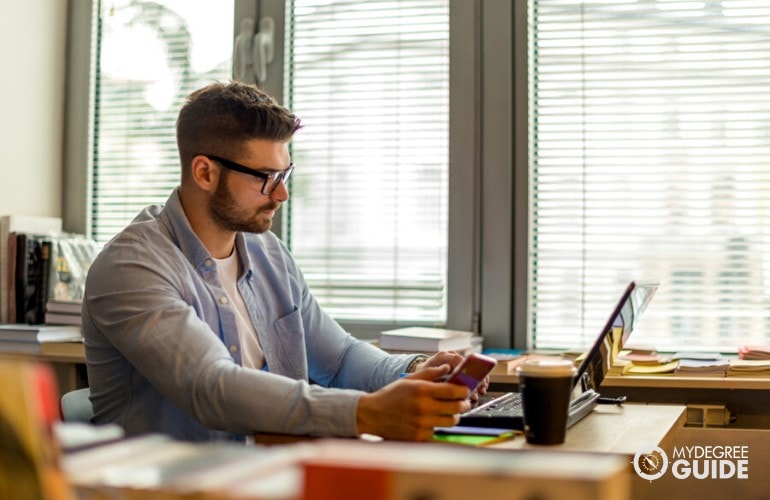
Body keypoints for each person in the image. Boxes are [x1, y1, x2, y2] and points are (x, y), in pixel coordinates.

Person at [82, 80, 488, 443]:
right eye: (266, 179)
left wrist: (416, 370)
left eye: (284, 176)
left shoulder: (267, 252)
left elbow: (340, 358)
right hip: (169, 488)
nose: (281, 196)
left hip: (271, 475)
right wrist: (365, 413)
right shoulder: (131, 266)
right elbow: (211, 387)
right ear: (204, 173)